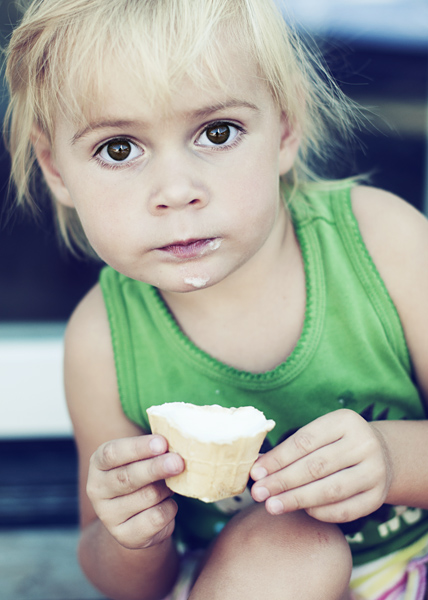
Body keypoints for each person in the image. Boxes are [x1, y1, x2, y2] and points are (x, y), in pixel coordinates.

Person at [4, 0, 428, 598]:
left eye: (217, 132)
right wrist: (129, 533)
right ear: (56, 170)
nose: (176, 191)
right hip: (244, 583)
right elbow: (125, 583)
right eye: (120, 148)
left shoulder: (385, 244)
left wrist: (392, 457)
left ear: (284, 129)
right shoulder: (102, 338)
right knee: (288, 542)